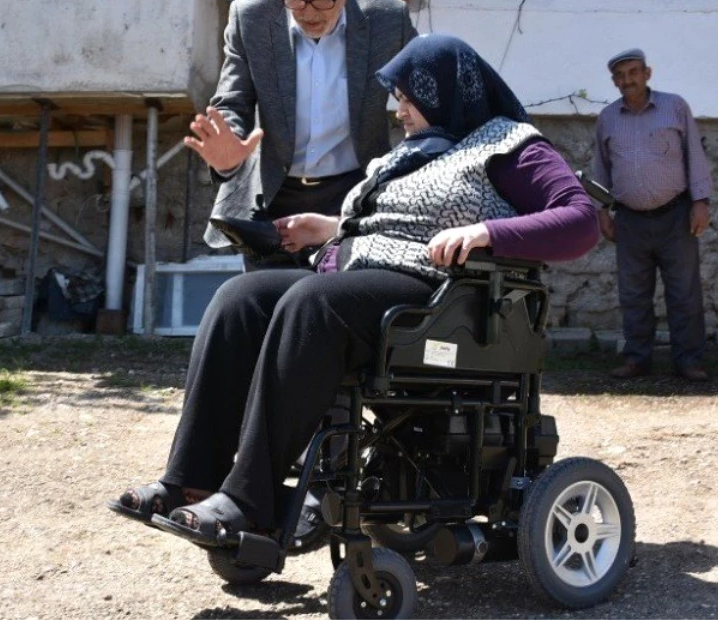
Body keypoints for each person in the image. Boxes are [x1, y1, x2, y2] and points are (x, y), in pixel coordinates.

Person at [109, 35, 599, 544]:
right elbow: (386, 222)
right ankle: (189, 481)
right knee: (240, 300)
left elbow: (581, 220)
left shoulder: (509, 144)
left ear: (444, 93)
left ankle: (247, 500)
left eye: (410, 97)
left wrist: (486, 234)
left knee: (313, 304)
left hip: (438, 295)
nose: (400, 109)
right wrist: (328, 227)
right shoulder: (409, 155)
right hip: (359, 274)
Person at [185, 0, 418, 267]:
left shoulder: (387, 19)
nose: (308, 11)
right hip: (274, 197)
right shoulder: (251, 18)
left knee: (339, 310)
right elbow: (233, 101)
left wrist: (417, 162)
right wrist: (229, 152)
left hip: (353, 192)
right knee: (268, 308)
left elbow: (424, 96)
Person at [592, 48, 713, 382]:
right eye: (620, 75)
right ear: (614, 81)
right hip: (629, 220)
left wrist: (701, 201)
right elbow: (601, 168)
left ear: (647, 73)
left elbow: (695, 156)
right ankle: (636, 359)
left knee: (684, 293)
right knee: (633, 295)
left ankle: (689, 361)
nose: (627, 80)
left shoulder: (675, 107)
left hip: (676, 216)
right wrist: (600, 211)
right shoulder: (607, 118)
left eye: (633, 72)